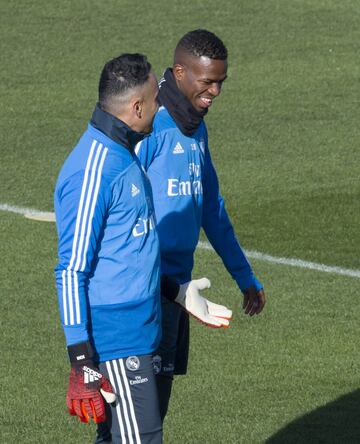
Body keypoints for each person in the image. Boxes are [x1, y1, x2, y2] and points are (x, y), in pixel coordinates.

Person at [54, 53, 232, 444]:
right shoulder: (94, 168)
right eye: (157, 98)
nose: (162, 105)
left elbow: (128, 253)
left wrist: (175, 291)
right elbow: (71, 270)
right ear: (136, 107)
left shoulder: (124, 155)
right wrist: (82, 360)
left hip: (142, 327)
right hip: (119, 339)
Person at [135, 30, 266, 421]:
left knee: (152, 419)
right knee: (127, 425)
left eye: (220, 83)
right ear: (179, 73)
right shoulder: (148, 126)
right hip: (141, 293)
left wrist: (245, 276)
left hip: (178, 292)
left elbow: (212, 208)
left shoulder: (196, 128)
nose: (215, 93)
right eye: (207, 82)